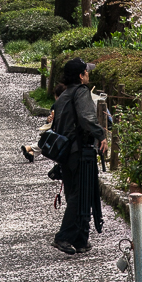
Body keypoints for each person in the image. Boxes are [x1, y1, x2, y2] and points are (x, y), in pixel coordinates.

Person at [50, 58, 107, 255]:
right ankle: (63, 237)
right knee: (80, 196)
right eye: (86, 71)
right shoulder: (81, 92)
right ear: (81, 76)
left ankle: (81, 240)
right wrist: (101, 135)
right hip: (80, 151)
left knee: (78, 194)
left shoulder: (65, 94)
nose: (88, 74)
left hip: (66, 152)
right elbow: (87, 119)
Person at [21, 83, 66, 162]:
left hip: (62, 130)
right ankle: (32, 154)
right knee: (48, 141)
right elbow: (51, 120)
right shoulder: (56, 106)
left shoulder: (67, 105)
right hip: (55, 128)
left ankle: (30, 148)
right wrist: (49, 119)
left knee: (49, 140)